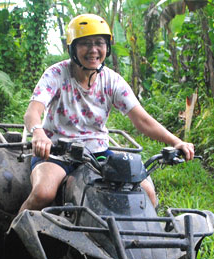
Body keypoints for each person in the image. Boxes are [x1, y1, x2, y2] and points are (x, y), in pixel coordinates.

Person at [19, 13, 194, 213]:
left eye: (99, 43)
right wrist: (39, 133)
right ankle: (13, 234)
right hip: (58, 152)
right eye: (85, 43)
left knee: (147, 194)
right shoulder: (56, 74)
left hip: (98, 153)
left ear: (107, 47)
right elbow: (33, 111)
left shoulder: (112, 80)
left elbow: (142, 120)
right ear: (72, 48)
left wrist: (176, 142)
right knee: (43, 193)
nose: (93, 50)